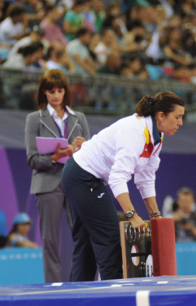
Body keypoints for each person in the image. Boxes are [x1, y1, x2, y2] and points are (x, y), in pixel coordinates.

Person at [61, 92, 185, 281]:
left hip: (79, 174)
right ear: (161, 115)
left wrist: (155, 215)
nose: (180, 123)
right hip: (82, 176)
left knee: (85, 244)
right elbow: (117, 178)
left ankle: (76, 297)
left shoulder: (155, 136)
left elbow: (146, 178)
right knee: (111, 239)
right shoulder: (135, 131)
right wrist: (132, 215)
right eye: (177, 117)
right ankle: (115, 296)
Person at [24, 69, 90, 282]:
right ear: (43, 92)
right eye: (51, 90)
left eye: (60, 90)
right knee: (50, 241)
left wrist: (82, 149)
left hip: (75, 183)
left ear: (65, 92)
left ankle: (79, 283)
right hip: (47, 184)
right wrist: (55, 157)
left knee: (83, 236)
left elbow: (91, 156)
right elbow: (32, 159)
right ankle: (52, 288)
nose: (55, 95)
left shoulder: (79, 119)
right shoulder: (34, 119)